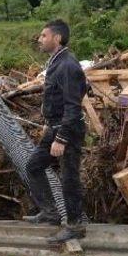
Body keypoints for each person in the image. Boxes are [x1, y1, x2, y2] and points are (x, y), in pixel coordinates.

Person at [24, 19, 88, 244]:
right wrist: (49, 122)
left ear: (57, 38)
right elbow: (58, 98)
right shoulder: (57, 62)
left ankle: (75, 226)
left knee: (69, 178)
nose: (39, 40)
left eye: (43, 36)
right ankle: (51, 214)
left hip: (68, 130)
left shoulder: (68, 65)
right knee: (33, 167)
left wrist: (61, 138)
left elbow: (73, 106)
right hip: (56, 126)